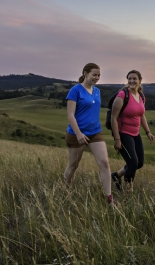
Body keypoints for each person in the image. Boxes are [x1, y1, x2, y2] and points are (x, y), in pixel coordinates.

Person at [64, 63, 115, 205]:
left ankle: (109, 198)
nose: (97, 77)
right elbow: (70, 115)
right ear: (85, 73)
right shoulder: (75, 91)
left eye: (99, 75)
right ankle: (65, 192)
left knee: (104, 163)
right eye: (94, 74)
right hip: (76, 134)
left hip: (95, 132)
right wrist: (79, 133)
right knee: (73, 165)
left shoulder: (97, 91)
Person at [110, 70, 155, 191]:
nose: (132, 81)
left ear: (140, 80)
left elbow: (141, 116)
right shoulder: (122, 95)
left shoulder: (141, 96)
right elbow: (113, 118)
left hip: (135, 133)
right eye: (129, 78)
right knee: (133, 162)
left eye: (134, 78)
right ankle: (128, 189)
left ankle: (116, 176)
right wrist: (117, 139)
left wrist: (148, 132)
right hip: (123, 133)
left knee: (139, 163)